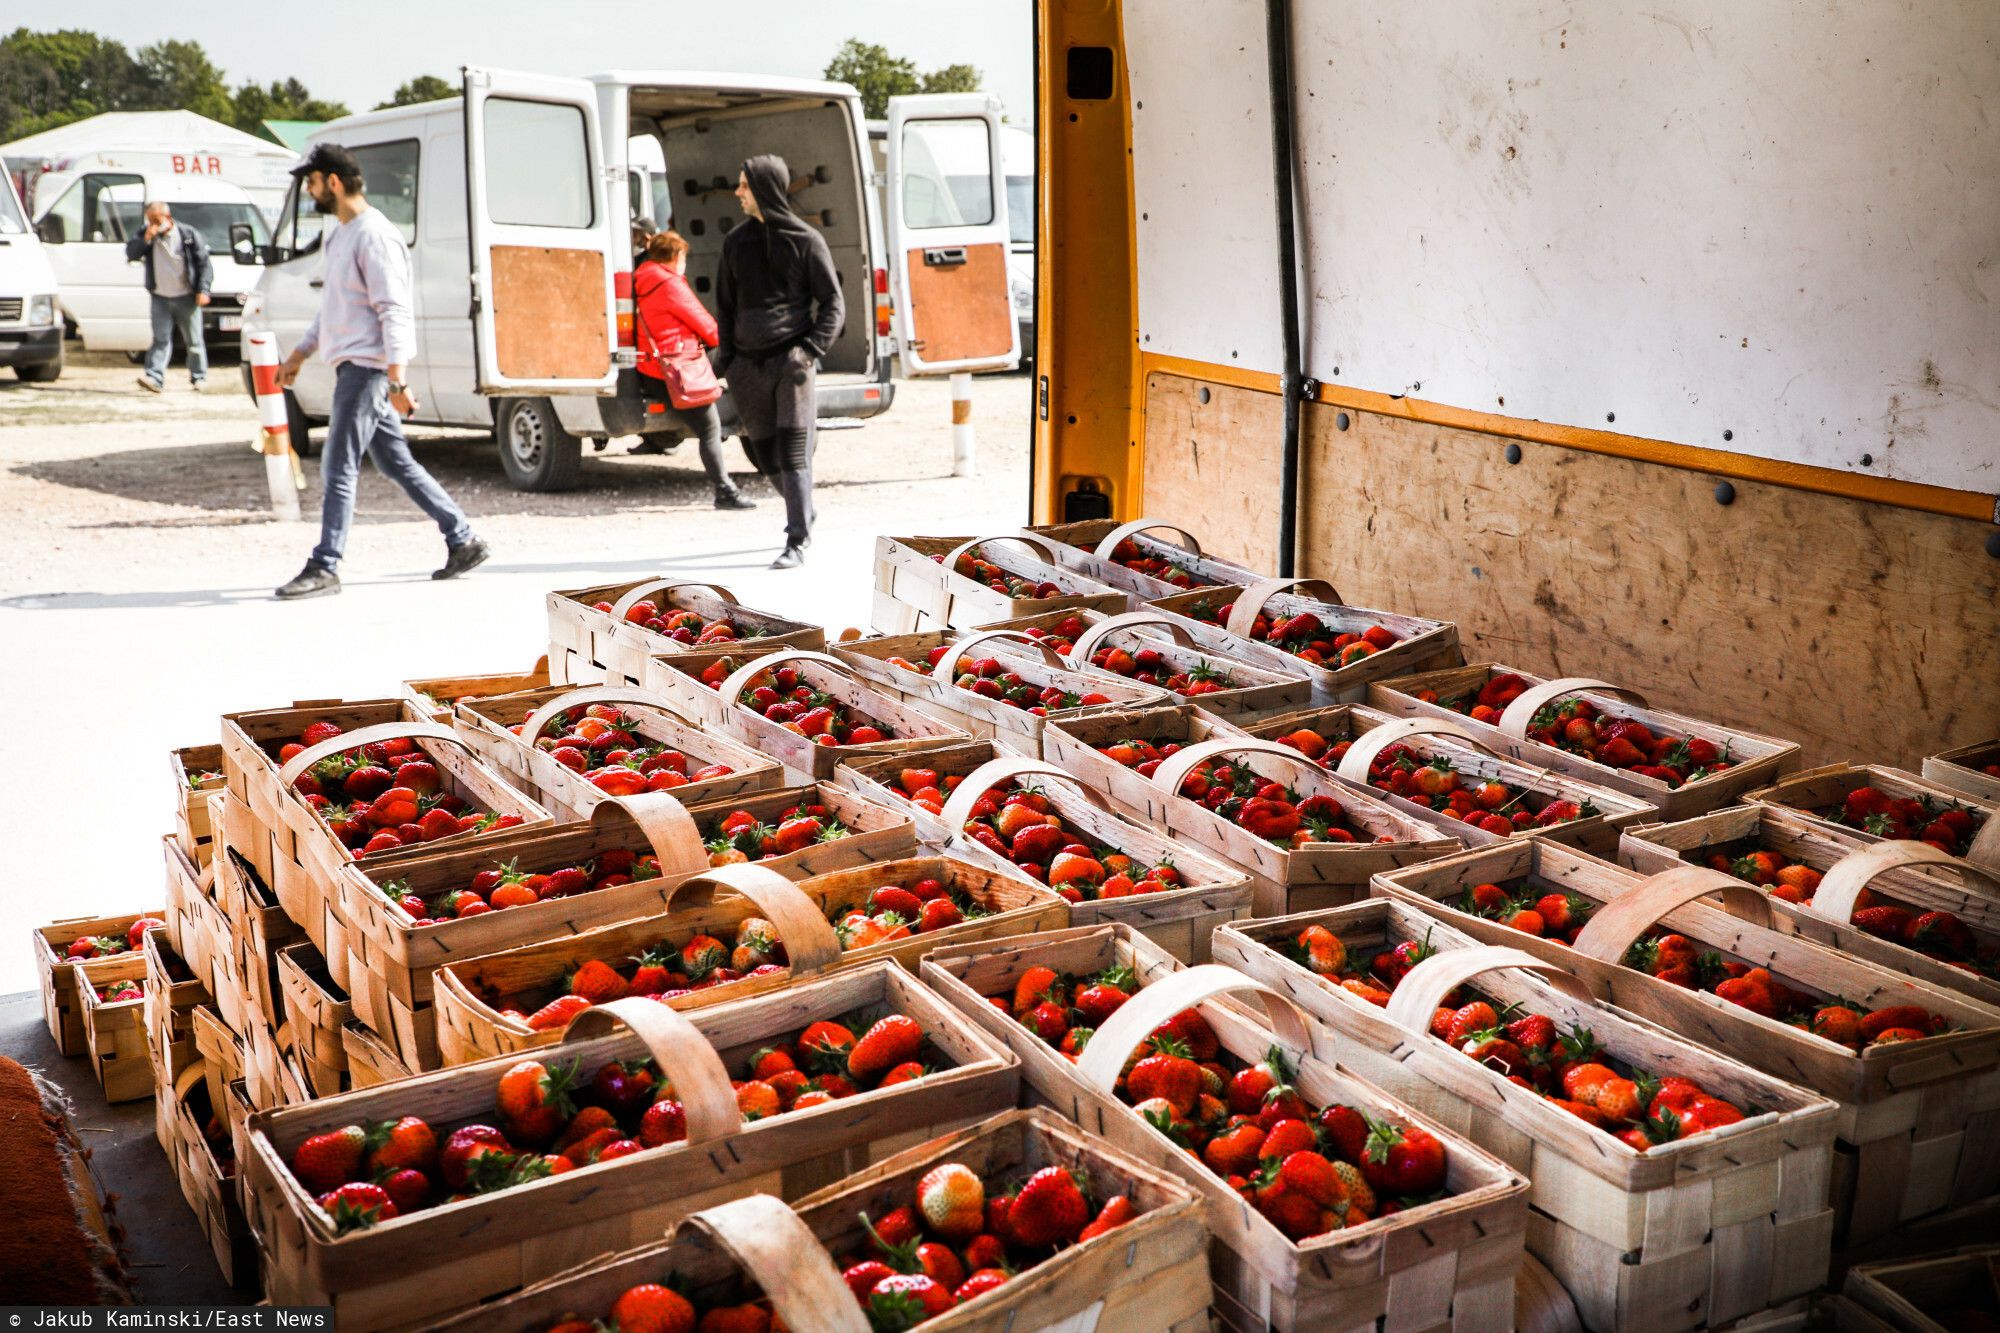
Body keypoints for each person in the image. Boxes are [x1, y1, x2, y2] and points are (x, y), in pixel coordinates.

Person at [272, 143, 487, 600]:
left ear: (333, 181)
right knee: (395, 461)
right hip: (355, 365)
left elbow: (393, 310)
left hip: (368, 370)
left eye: (311, 182)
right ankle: (463, 538)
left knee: (338, 463)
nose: (309, 191)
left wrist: (396, 378)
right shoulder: (340, 234)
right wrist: (300, 353)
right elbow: (333, 308)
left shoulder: (375, 235)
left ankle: (325, 565)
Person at [715, 153, 844, 569]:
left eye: (744, 186)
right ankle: (801, 507)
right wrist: (727, 363)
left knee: (792, 454)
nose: (737, 193)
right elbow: (726, 308)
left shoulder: (806, 240)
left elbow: (832, 303)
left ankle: (796, 540)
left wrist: (807, 352)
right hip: (746, 369)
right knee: (762, 456)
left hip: (791, 366)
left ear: (764, 189)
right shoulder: (735, 242)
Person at [634, 230, 754, 509]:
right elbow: (709, 330)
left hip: (653, 370)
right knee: (710, 428)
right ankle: (724, 490)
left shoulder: (641, 279)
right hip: (676, 370)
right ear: (676, 257)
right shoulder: (669, 284)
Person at [126, 201, 212, 393]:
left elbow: (204, 264)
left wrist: (203, 290)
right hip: (160, 297)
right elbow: (130, 253)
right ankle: (154, 378)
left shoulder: (188, 235)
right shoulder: (147, 233)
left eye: (157, 220)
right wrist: (145, 239)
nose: (154, 225)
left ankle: (199, 377)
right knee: (160, 339)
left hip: (186, 297)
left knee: (194, 340)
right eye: (150, 220)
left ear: (168, 217)